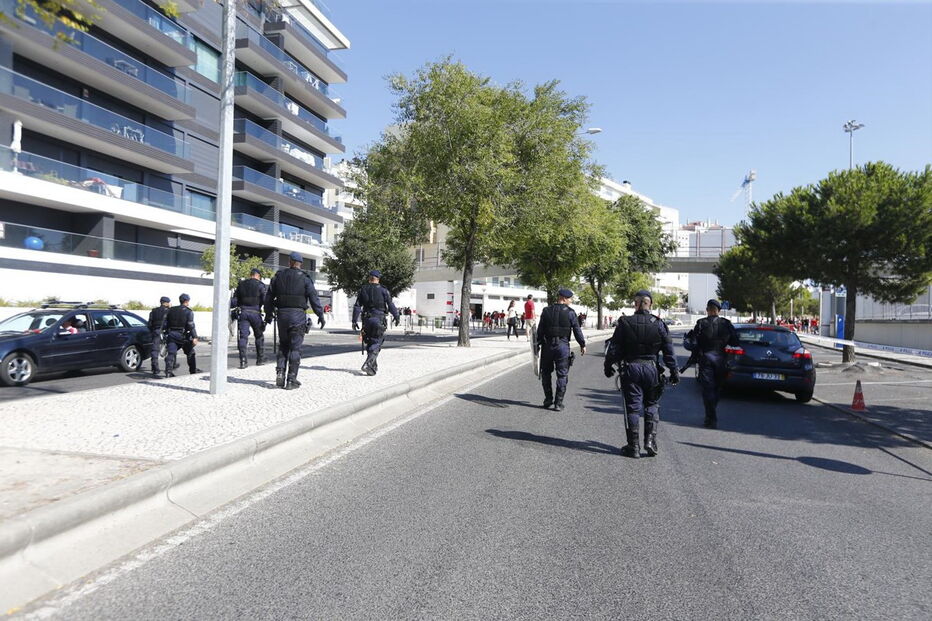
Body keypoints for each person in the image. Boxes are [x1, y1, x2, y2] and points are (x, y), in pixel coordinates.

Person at [603, 290, 679, 458]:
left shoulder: (625, 322)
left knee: (633, 407)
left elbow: (614, 348)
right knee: (651, 404)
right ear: (650, 304)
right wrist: (674, 371)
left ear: (635, 304)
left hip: (631, 369)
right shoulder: (659, 324)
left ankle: (634, 447)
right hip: (651, 369)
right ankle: (650, 441)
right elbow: (669, 351)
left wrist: (608, 366)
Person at [264, 252, 325, 390]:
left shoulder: (278, 277)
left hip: (282, 315)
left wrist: (268, 314)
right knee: (295, 348)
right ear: (300, 264)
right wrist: (320, 315)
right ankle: (291, 379)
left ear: (289, 262)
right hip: (297, 316)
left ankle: (280, 371)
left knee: (283, 345)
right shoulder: (305, 279)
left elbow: (268, 298)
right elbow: (314, 298)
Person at [683, 299, 738, 428]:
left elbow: (693, 344)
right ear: (718, 311)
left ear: (707, 310)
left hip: (706, 359)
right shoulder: (727, 324)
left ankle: (711, 417)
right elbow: (735, 341)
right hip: (721, 359)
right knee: (717, 389)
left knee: (708, 390)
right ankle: (711, 415)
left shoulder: (701, 323)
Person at [536, 288, 586, 411]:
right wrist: (582, 344)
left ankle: (548, 399)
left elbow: (540, 330)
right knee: (562, 375)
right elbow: (577, 330)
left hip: (547, 346)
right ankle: (558, 403)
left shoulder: (546, 311)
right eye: (570, 298)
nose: (571, 300)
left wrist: (536, 345)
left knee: (546, 373)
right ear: (563, 298)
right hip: (562, 346)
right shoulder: (570, 312)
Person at [352, 269, 400, 376]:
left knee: (369, 341)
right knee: (377, 342)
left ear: (369, 279)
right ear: (378, 279)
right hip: (378, 319)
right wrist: (396, 316)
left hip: (366, 320)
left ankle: (372, 368)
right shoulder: (384, 290)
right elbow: (390, 305)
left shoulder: (363, 289)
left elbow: (357, 306)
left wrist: (354, 321)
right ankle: (368, 364)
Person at [231, 268, 268, 369]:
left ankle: (243, 361)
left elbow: (234, 302)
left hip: (243, 313)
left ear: (250, 275)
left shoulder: (241, 285)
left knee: (243, 337)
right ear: (258, 276)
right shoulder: (260, 285)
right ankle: (260, 359)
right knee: (259, 336)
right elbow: (265, 301)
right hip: (255, 313)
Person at [161, 294, 200, 378]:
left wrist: (166, 334)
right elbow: (190, 326)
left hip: (171, 335)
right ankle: (193, 372)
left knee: (171, 354)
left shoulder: (170, 310)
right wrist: (195, 337)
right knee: (190, 353)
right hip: (183, 336)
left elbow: (164, 325)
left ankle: (168, 373)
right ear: (187, 301)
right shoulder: (188, 311)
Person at [147, 296, 171, 377]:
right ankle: (169, 368)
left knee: (155, 350)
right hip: (166, 332)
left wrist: (153, 331)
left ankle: (155, 368)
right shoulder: (169, 311)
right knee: (169, 350)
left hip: (156, 331)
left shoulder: (154, 311)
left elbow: (149, 324)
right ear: (166, 303)